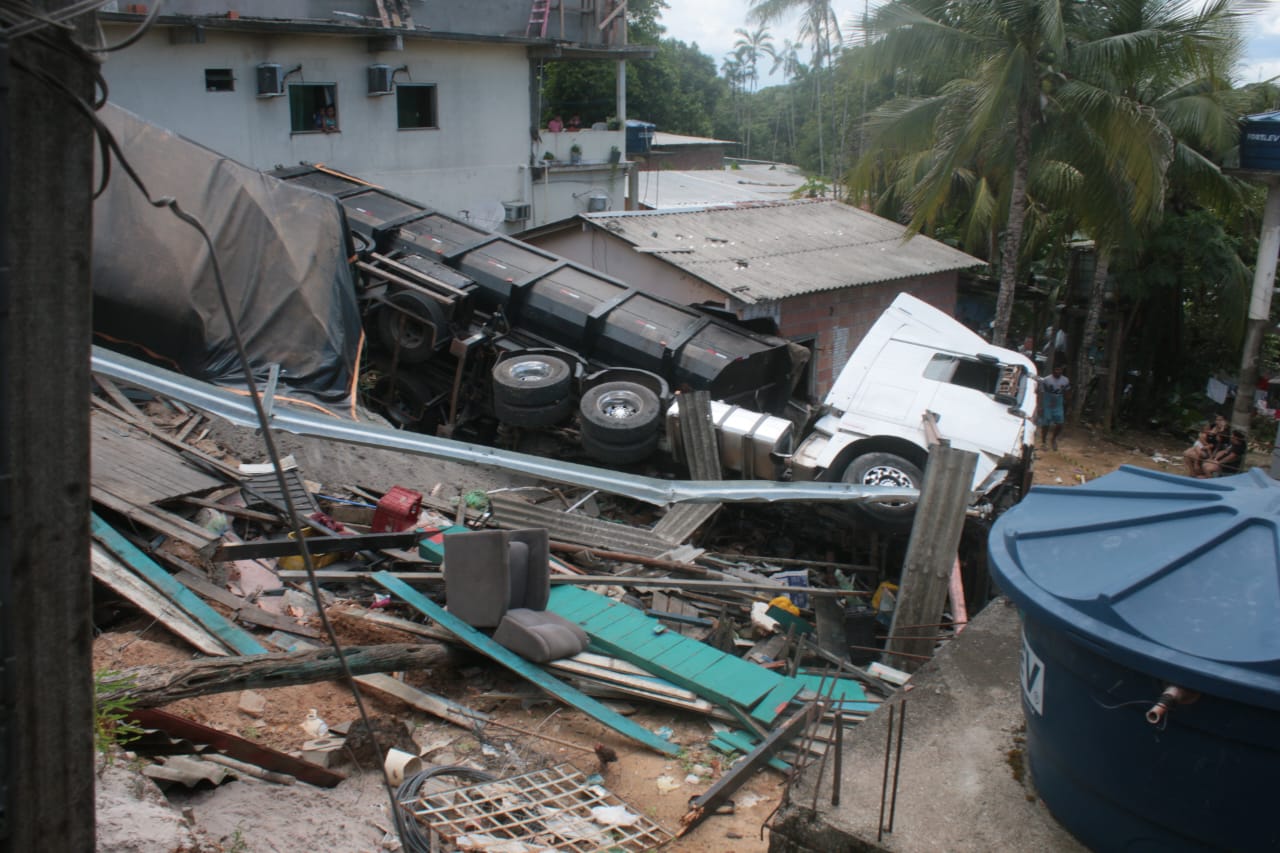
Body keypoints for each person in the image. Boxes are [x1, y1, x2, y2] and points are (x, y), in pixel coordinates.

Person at [1038, 364, 1070, 451]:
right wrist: (1040, 406)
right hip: (1047, 401)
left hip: (1058, 402)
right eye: (1056, 370)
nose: (1057, 372)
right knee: (1046, 423)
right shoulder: (1046, 380)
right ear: (1053, 370)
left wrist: (1067, 402)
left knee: (1060, 423)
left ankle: (1053, 439)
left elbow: (1067, 392)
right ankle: (1043, 442)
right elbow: (1041, 392)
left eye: (1059, 370)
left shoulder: (1065, 380)